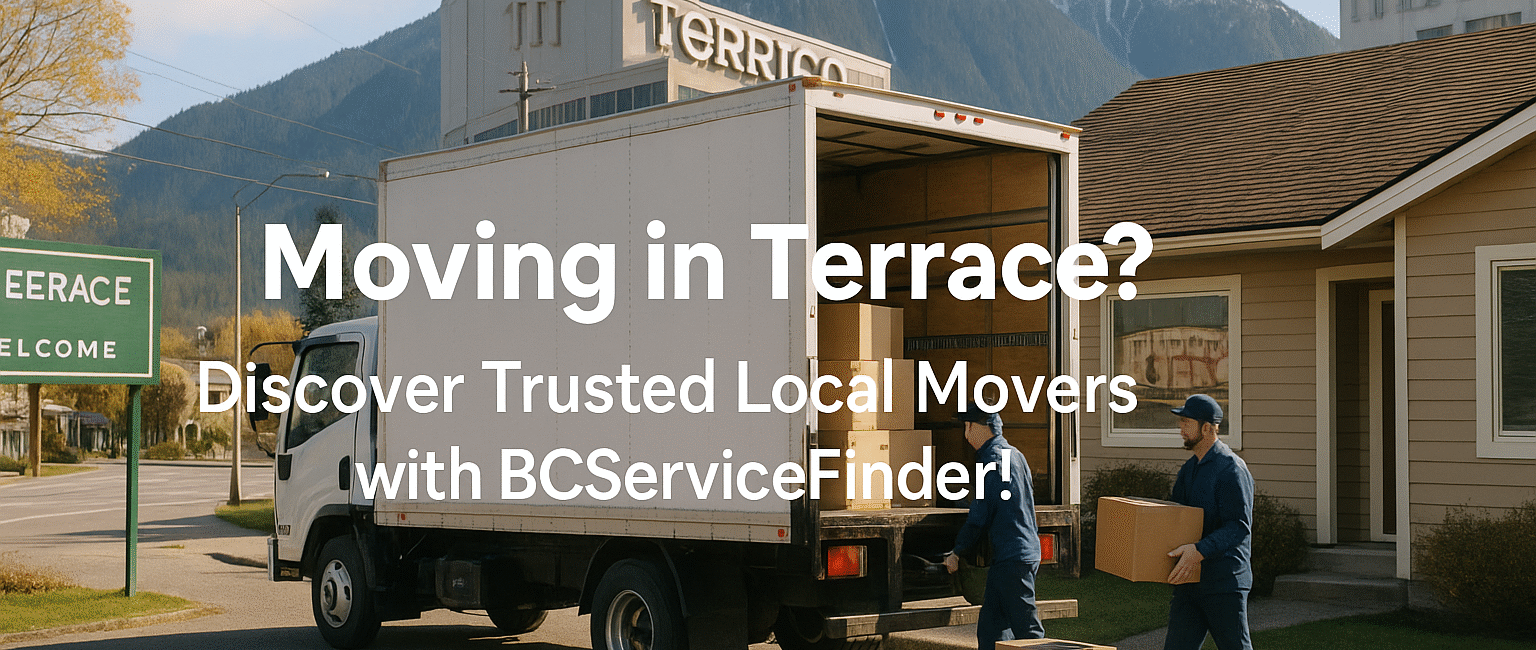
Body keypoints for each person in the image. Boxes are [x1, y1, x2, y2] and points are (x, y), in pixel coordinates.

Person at [942, 407, 1043, 647]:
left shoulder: (991, 461)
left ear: (974, 427)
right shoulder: (1015, 455)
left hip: (1012, 559)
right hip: (1019, 554)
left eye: (965, 427)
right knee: (992, 631)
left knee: (1028, 633)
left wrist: (957, 552)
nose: (965, 435)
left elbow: (980, 515)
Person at [1164, 394, 1255, 650]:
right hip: (1190, 580)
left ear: (1206, 428)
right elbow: (1176, 516)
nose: (1180, 429)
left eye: (1186, 422)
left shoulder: (1231, 469)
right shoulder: (1190, 468)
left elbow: (1238, 526)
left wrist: (1199, 550)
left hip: (1224, 582)